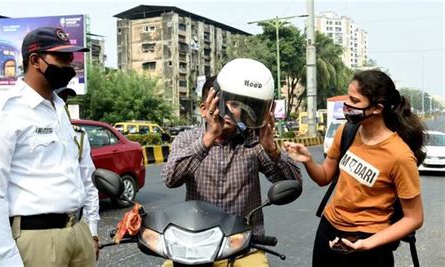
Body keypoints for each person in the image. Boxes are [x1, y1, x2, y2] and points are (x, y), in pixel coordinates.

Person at [0, 27, 100, 266]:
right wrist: (4, 258)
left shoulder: (59, 109)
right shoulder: (3, 111)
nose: (70, 65)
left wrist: (90, 230)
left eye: (71, 58)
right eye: (61, 58)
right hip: (37, 240)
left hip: (77, 232)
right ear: (35, 61)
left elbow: (79, 174)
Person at [161, 58, 303, 266]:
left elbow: (293, 182)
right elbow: (170, 179)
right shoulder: (187, 139)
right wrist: (208, 139)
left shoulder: (254, 143)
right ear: (206, 107)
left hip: (243, 245)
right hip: (194, 244)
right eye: (228, 102)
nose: (232, 110)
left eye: (238, 104)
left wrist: (272, 149)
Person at [284, 70, 425, 267]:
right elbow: (324, 177)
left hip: (369, 242)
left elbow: (414, 218)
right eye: (347, 97)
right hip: (328, 231)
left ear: (377, 108)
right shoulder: (347, 131)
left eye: (354, 101)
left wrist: (367, 244)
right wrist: (308, 160)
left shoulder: (400, 156)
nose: (347, 106)